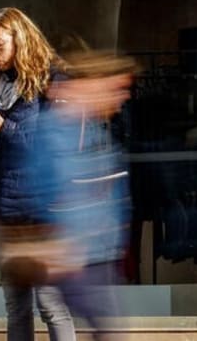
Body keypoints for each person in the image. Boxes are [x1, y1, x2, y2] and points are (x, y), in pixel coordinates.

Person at [0, 8, 75, 341]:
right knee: (16, 306)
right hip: (5, 209)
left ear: (20, 39)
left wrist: (4, 128)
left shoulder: (53, 81)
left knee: (51, 303)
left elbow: (53, 150)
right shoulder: (3, 85)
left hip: (43, 210)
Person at [44, 50, 137, 340]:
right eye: (118, 88)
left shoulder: (96, 131)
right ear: (95, 84)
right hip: (78, 256)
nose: (124, 97)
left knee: (106, 331)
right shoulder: (59, 132)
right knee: (107, 332)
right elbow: (48, 188)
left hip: (99, 255)